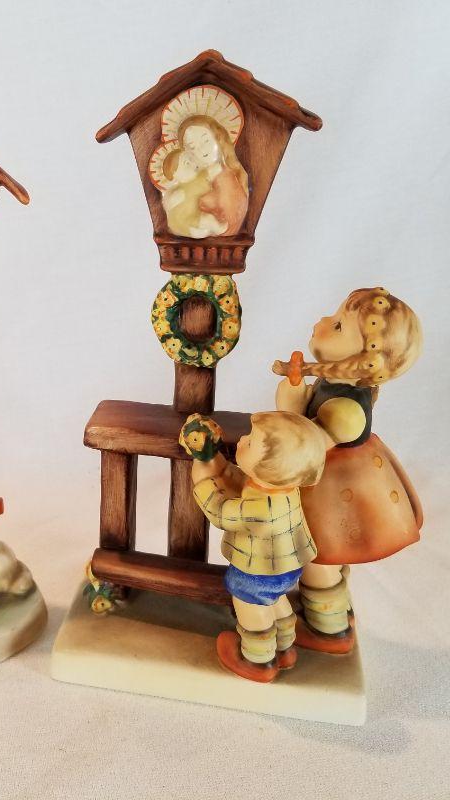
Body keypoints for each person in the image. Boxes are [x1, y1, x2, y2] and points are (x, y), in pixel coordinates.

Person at [273, 287, 423, 653]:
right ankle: (332, 608)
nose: (323, 322)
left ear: (363, 359)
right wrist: (296, 394)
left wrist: (291, 411)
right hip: (332, 481)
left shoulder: (347, 410)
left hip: (335, 490)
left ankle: (329, 629)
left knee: (319, 555)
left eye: (338, 325)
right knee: (324, 554)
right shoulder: (335, 382)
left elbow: (306, 444)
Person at [182, 411, 325, 682]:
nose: (241, 440)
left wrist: (202, 478)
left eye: (250, 442)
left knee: (253, 609)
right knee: (276, 602)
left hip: (256, 574)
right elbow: (242, 480)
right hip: (287, 568)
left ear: (272, 467)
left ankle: (258, 660)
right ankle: (285, 649)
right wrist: (218, 464)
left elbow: (220, 512)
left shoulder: (261, 509)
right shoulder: (283, 488)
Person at [158, 115, 249, 238]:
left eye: (206, 141)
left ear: (218, 138)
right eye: (192, 147)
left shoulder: (224, 176)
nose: (201, 150)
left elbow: (231, 214)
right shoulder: (196, 176)